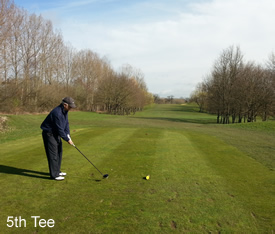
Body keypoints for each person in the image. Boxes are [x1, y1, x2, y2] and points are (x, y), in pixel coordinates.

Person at [41, 97, 76, 181]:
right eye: (70, 106)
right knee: (53, 154)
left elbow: (66, 123)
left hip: (55, 133)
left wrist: (68, 135)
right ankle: (54, 175)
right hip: (49, 134)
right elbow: (60, 129)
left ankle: (57, 171)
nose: (71, 108)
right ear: (65, 105)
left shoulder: (65, 111)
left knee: (59, 152)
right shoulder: (57, 113)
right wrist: (67, 140)